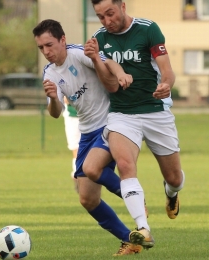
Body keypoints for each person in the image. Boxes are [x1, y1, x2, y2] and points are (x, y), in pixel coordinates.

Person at [33, 19, 144, 256]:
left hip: (110, 123)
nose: (46, 52)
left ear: (62, 39)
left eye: (49, 45)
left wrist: (122, 72)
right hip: (86, 132)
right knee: (87, 199)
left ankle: (133, 197)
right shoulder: (49, 73)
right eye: (41, 48)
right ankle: (130, 240)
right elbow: (55, 114)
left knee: (92, 169)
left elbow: (109, 63)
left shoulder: (78, 54)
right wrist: (53, 98)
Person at [85, 0, 186, 249]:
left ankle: (171, 193)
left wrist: (165, 84)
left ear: (122, 6)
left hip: (155, 112)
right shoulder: (99, 39)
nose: (107, 21)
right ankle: (143, 228)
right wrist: (98, 60)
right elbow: (110, 86)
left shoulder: (148, 29)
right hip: (122, 114)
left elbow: (167, 70)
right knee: (125, 165)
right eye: (100, 17)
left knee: (174, 177)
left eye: (110, 13)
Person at [62, 96, 80, 191]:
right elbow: (65, 98)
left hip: (91, 115)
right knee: (76, 149)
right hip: (72, 117)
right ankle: (77, 176)